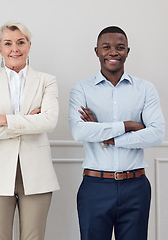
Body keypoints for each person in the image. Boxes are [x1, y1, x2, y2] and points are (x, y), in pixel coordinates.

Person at [69, 26, 165, 240]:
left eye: (120, 47)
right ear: (97, 51)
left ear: (127, 52)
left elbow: (157, 134)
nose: (113, 52)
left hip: (136, 187)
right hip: (95, 187)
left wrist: (108, 138)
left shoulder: (145, 89)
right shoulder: (81, 89)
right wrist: (129, 125)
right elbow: (79, 131)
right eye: (107, 47)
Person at [0, 21, 60, 240]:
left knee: (34, 237)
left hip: (38, 173)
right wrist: (29, 122)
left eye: (20, 42)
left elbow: (48, 122)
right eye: (8, 43)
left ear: (29, 45)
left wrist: (2, 120)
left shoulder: (46, 81)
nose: (15, 49)